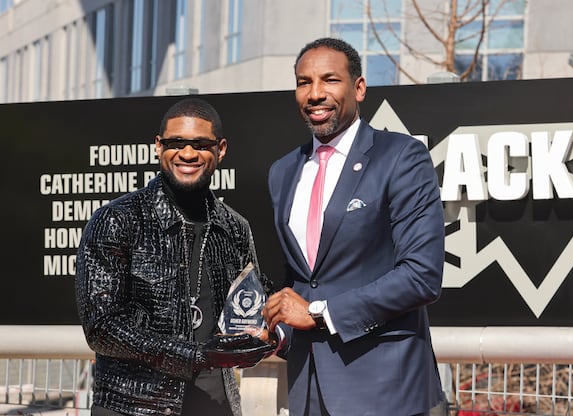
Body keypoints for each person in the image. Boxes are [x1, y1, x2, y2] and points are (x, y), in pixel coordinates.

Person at [262, 37, 446, 415]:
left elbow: (421, 275)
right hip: (306, 388)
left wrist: (317, 313)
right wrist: (275, 329)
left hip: (385, 388)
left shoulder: (400, 156)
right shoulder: (282, 171)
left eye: (330, 80)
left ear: (358, 88)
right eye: (303, 82)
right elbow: (299, 277)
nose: (315, 94)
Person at [76, 97, 273, 416]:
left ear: (220, 150)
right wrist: (196, 354)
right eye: (176, 142)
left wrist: (263, 336)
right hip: (134, 406)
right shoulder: (118, 220)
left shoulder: (234, 227)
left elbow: (252, 304)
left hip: (215, 405)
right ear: (158, 146)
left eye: (201, 144)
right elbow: (102, 328)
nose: (188, 153)